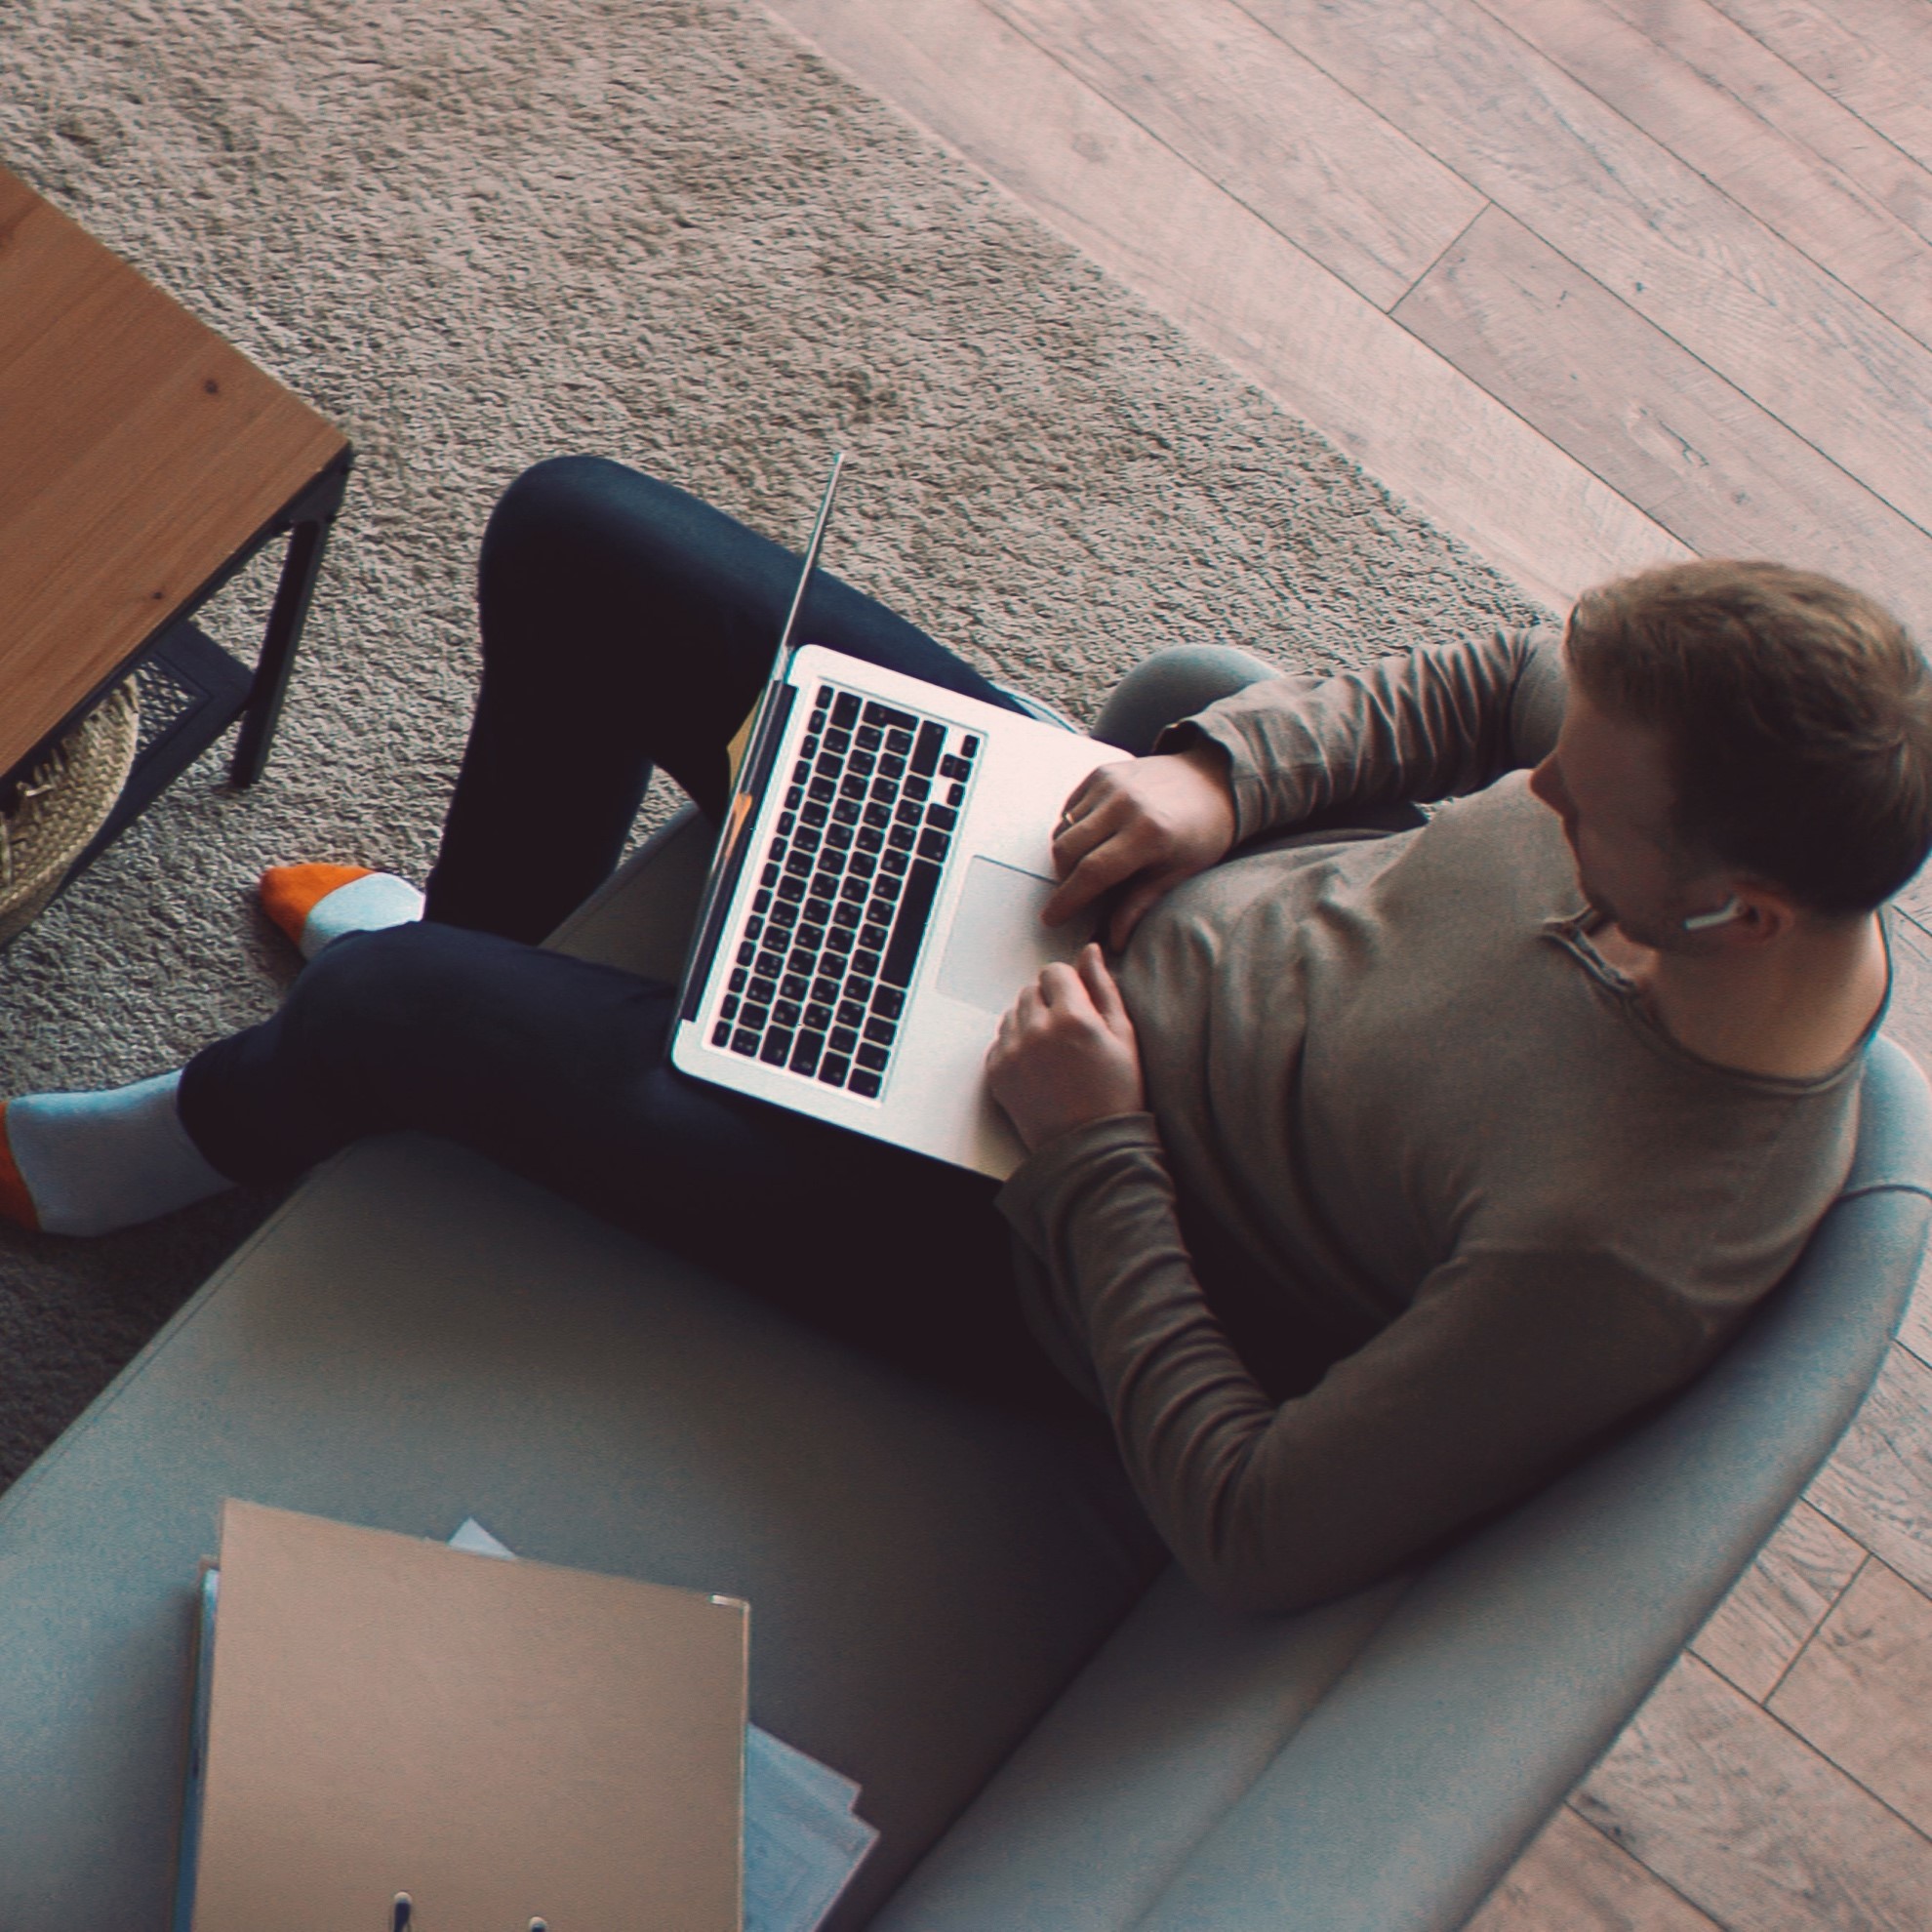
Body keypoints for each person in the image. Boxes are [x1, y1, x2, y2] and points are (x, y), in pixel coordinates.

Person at [0, 456, 1922, 1616]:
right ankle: (484, 982)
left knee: (395, 1000)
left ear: (1733, 910)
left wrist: (1090, 1143)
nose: (1542, 788)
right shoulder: (1670, 786)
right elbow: (1484, 689)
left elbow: (1257, 1527)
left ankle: (221, 1128)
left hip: (1027, 1218)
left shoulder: (1630, 1243)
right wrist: (1214, 779)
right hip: (1085, 880)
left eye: (1575, 808)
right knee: (575, 535)